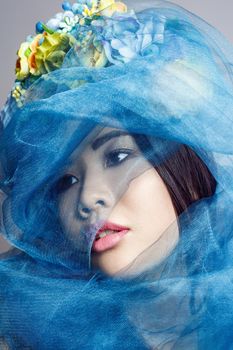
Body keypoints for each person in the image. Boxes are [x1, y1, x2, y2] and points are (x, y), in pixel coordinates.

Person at [0, 0, 233, 348]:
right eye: (65, 181)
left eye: (118, 155)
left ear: (179, 155)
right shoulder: (27, 332)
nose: (88, 198)